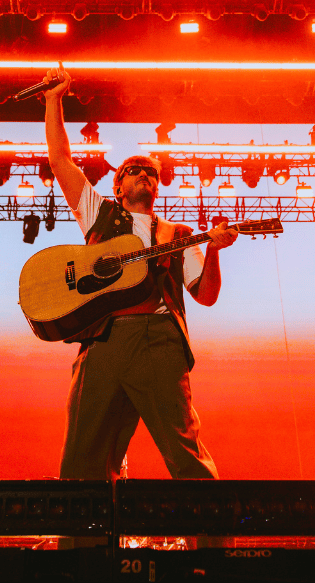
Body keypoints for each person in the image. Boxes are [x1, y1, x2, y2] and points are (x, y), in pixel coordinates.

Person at [42, 67, 239, 481]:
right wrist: (53, 99)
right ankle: (80, 547)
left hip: (158, 339)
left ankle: (212, 547)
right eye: (135, 171)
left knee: (188, 458)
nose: (146, 175)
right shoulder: (99, 214)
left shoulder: (178, 234)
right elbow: (60, 160)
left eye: (151, 172)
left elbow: (205, 296)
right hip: (102, 340)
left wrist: (214, 252)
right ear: (117, 188)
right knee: (82, 464)